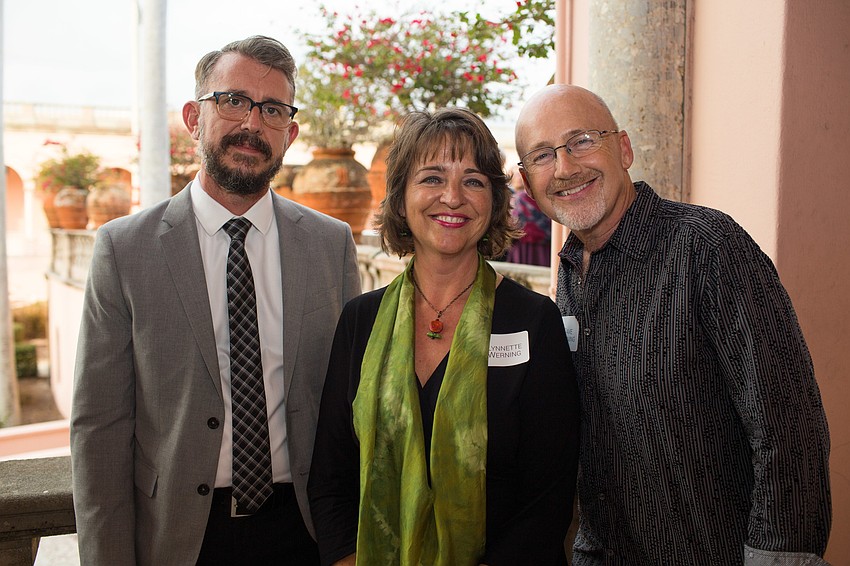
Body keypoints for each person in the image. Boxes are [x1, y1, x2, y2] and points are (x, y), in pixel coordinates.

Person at [70, 36, 361, 565]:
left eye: (272, 110)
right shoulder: (124, 249)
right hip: (179, 538)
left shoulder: (331, 244)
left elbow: (352, 405)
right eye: (232, 101)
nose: (252, 124)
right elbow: (100, 428)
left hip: (308, 533)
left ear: (290, 134)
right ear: (193, 117)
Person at [514, 84, 832, 564]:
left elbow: (788, 424)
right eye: (542, 155)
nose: (564, 167)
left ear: (623, 149)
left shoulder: (706, 246)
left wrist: (779, 556)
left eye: (581, 140)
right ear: (526, 179)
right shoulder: (572, 276)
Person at [308, 107, 581, 566]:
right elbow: (329, 480)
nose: (452, 197)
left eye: (473, 181)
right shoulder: (359, 321)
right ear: (400, 199)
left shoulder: (534, 321)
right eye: (432, 178)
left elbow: (548, 499)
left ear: (494, 201)